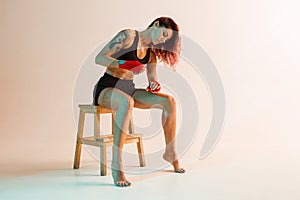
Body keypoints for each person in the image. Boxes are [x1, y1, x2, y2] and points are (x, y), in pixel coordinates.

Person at [93, 16, 185, 187]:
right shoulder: (128, 36)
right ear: (156, 24)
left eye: (165, 39)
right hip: (107, 88)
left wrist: (154, 84)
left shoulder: (151, 55)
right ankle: (117, 164)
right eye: (164, 34)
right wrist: (126, 64)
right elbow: (99, 58)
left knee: (169, 101)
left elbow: (152, 77)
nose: (162, 40)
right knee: (127, 102)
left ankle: (170, 152)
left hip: (129, 90)